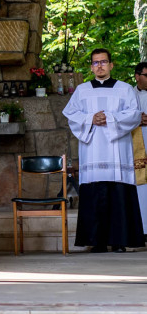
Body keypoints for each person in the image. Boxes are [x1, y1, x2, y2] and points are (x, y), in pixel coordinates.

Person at [64, 48, 144, 252]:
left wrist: (108, 118)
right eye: (95, 62)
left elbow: (134, 115)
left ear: (111, 65)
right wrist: (90, 118)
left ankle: (119, 242)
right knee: (94, 193)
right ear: (91, 67)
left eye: (103, 62)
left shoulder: (125, 89)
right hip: (92, 149)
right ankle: (96, 242)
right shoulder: (81, 90)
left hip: (118, 151)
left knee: (118, 194)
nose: (99, 66)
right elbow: (71, 114)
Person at [133, 62, 147, 239]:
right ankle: (142, 228)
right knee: (141, 188)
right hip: (136, 145)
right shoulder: (128, 94)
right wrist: (136, 119)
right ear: (137, 76)